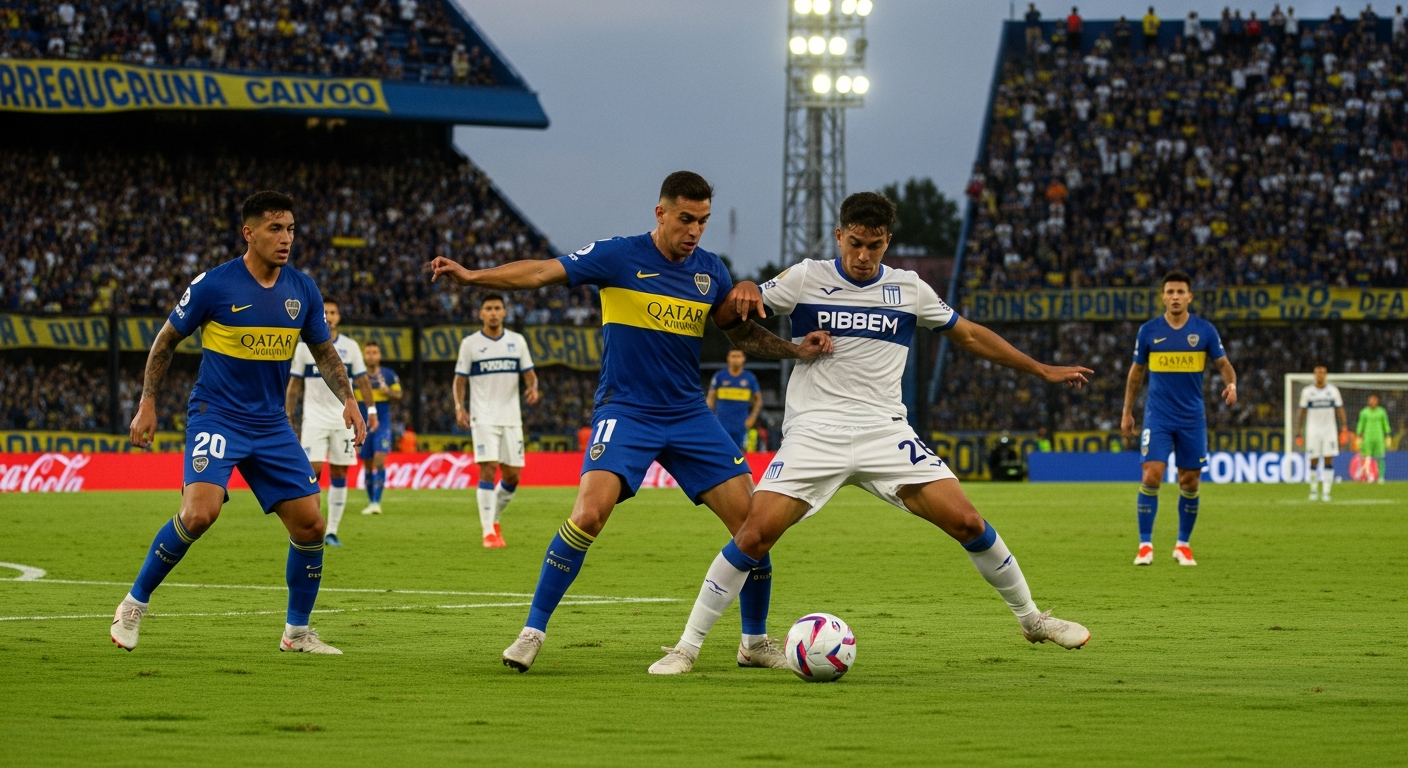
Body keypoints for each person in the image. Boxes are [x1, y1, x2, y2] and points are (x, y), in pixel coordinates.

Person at [648, 192, 1092, 675]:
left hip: (885, 432)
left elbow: (967, 334)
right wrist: (750, 285)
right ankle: (686, 648)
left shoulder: (909, 288)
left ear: (888, 243)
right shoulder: (805, 277)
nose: (863, 256)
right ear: (839, 236)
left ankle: (1032, 620)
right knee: (753, 535)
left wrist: (1040, 369)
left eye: (874, 247)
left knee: (968, 522)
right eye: (855, 244)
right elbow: (733, 315)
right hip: (815, 432)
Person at [428, 171, 832, 672]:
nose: (695, 231)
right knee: (589, 515)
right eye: (686, 219)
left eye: (703, 221)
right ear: (660, 213)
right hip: (626, 410)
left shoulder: (711, 272)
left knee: (754, 527)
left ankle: (753, 642)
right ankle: (532, 632)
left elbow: (741, 336)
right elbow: (540, 273)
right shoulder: (619, 256)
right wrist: (473, 277)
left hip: (687, 414)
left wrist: (794, 349)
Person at [112, 190, 366, 655]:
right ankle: (133, 604)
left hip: (271, 424)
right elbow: (166, 342)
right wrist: (148, 403)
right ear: (248, 233)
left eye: (290, 228)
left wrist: (348, 398)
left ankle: (297, 633)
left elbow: (324, 350)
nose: (285, 238)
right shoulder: (214, 284)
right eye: (275, 228)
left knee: (311, 525)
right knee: (199, 513)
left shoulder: (303, 289)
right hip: (218, 416)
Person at [1121, 271, 1237, 567]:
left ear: (1189, 297)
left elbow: (1224, 364)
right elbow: (1136, 374)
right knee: (1151, 475)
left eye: (1180, 291)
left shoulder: (1204, 331)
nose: (1174, 296)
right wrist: (1127, 411)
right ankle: (1145, 545)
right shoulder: (1149, 331)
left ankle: (1182, 545)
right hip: (1158, 416)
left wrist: (1231, 384)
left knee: (1190, 481)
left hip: (1191, 418)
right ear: (1163, 296)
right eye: (1170, 291)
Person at [287, 300, 376, 546]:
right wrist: (288, 414)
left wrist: (371, 410)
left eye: (334, 312)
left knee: (339, 472)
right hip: (313, 419)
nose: (329, 316)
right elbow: (294, 385)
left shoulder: (350, 347)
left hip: (342, 420)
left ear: (339, 317)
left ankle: (332, 531)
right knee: (310, 473)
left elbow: (363, 381)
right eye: (325, 312)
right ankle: (308, 527)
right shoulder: (305, 348)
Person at [453, 294, 539, 548]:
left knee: (512, 476)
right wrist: (459, 407)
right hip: (483, 416)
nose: (493, 313)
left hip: (511, 418)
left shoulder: (517, 341)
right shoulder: (470, 344)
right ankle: (488, 531)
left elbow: (530, 375)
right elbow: (459, 379)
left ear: (504, 312)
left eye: (497, 308)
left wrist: (533, 387)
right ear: (481, 314)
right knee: (488, 467)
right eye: (488, 308)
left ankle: (495, 518)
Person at [357, 340, 401, 515]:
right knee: (367, 465)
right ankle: (371, 501)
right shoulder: (357, 376)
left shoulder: (388, 375)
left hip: (383, 424)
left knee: (380, 460)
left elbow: (399, 395)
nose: (371, 356)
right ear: (364, 355)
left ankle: (377, 502)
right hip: (364, 426)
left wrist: (388, 392)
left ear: (380, 355)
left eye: (374, 352)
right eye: (368, 352)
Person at [1297, 366, 1345, 501]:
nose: (1320, 375)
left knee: (1328, 459)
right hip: (1313, 429)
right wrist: (1298, 431)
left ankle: (1326, 492)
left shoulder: (1333, 391)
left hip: (1329, 429)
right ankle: (1313, 490)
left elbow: (1340, 409)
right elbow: (1301, 412)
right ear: (1314, 374)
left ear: (1326, 375)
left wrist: (1344, 427)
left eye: (1323, 372)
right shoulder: (1307, 392)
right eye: (1318, 372)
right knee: (1313, 459)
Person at [707, 349, 762, 452]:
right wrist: (710, 419)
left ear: (743, 359)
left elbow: (758, 400)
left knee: (741, 454)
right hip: (722, 424)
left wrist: (752, 418)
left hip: (742, 425)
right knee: (721, 451)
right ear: (728, 358)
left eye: (738, 356)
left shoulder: (750, 378)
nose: (735, 359)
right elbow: (710, 399)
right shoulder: (719, 377)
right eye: (733, 356)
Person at [1357, 394, 1393, 484]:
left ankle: (1381, 477)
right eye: (1371, 400)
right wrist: (1359, 434)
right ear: (1368, 401)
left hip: (1379, 438)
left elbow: (1385, 423)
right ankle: (1368, 476)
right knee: (1366, 458)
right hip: (1367, 438)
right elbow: (1361, 424)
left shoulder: (1381, 412)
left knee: (1380, 458)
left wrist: (1388, 434)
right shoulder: (1364, 412)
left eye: (1374, 400)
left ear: (1377, 401)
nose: (1372, 402)